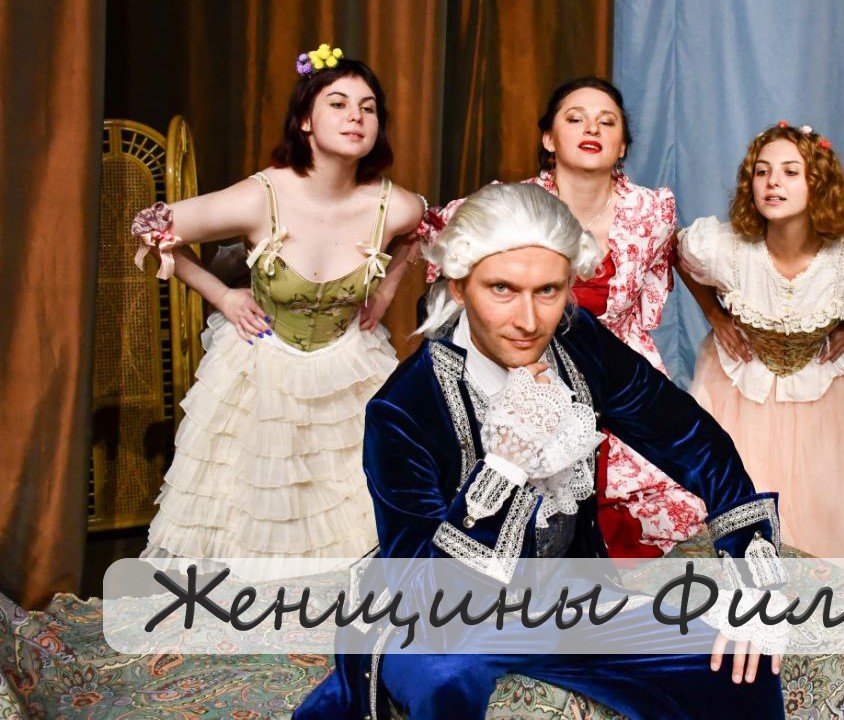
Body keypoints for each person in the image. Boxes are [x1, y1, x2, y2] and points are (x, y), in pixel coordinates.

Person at [295, 183, 786, 719]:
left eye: (548, 290)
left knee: (740, 670)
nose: (528, 321)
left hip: (565, 604)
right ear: (458, 287)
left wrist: (753, 580)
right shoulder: (403, 410)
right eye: (502, 289)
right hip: (435, 616)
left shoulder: (579, 342)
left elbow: (693, 440)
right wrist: (505, 464)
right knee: (444, 678)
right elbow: (427, 596)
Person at [131, 45, 429, 564]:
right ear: (305, 121)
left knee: (356, 510)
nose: (356, 117)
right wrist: (222, 294)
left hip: (350, 366)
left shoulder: (395, 205)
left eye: (368, 107)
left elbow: (424, 230)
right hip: (263, 366)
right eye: (338, 104)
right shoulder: (260, 196)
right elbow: (151, 227)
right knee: (258, 516)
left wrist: (384, 291)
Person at [422, 76, 705, 558]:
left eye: (607, 122)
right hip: (527, 369)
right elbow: (439, 240)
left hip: (616, 371)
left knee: (667, 499)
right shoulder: (511, 205)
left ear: (622, 146)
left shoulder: (650, 212)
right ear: (549, 139)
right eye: (575, 119)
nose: (591, 128)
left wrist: (720, 319)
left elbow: (663, 279)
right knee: (515, 508)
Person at [677, 122, 844, 566]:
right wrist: (714, 314)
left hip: (824, 390)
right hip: (742, 389)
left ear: (817, 183)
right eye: (762, 172)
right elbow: (681, 254)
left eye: (790, 172)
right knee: (741, 488)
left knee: (825, 500)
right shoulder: (728, 249)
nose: (773, 183)